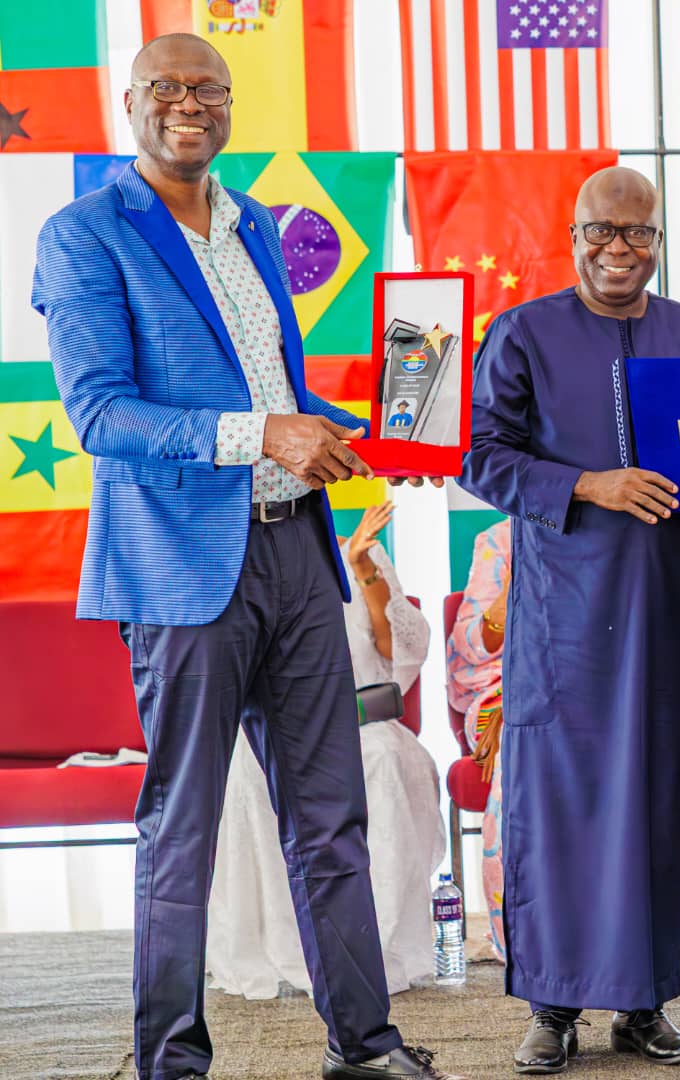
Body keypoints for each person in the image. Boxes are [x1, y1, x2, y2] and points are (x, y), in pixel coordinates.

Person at [31, 33, 460, 1080]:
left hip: (297, 556)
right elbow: (101, 414)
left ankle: (364, 1045)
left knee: (331, 820)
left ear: (230, 105)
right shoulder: (84, 233)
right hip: (182, 567)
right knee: (185, 825)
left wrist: (383, 441)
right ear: (129, 103)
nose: (190, 105)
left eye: (208, 90)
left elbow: (274, 388)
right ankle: (171, 1061)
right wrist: (265, 434)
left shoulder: (255, 221)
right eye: (168, 89)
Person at [459, 166, 680, 1074]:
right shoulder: (524, 332)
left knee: (653, 799)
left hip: (662, 600)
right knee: (556, 803)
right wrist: (589, 485)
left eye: (639, 233)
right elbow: (480, 457)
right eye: (602, 230)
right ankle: (552, 1006)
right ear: (573, 237)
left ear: (658, 242)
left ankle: (644, 1005)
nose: (619, 248)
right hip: (562, 609)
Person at [208, 500, 444, 998]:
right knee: (249, 768)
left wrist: (361, 566)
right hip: (277, 723)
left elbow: (397, 649)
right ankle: (292, 943)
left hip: (359, 725)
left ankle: (374, 946)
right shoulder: (236, 560)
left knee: (382, 759)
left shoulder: (358, 554)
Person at [446, 517, 512, 961]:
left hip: (601, 685)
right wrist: (507, 599)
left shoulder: (629, 524)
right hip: (503, 691)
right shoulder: (501, 540)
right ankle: (527, 936)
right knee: (525, 731)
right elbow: (469, 646)